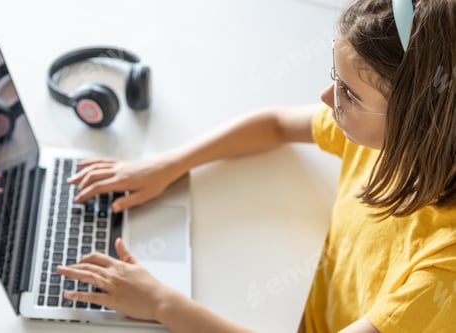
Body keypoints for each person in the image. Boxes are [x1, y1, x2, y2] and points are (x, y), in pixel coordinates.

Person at [56, 0, 456, 332]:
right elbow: (276, 125)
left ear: (417, 118)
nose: (325, 97)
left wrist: (162, 303)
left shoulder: (444, 271)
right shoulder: (392, 139)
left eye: (348, 94)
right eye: (336, 78)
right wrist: (167, 165)